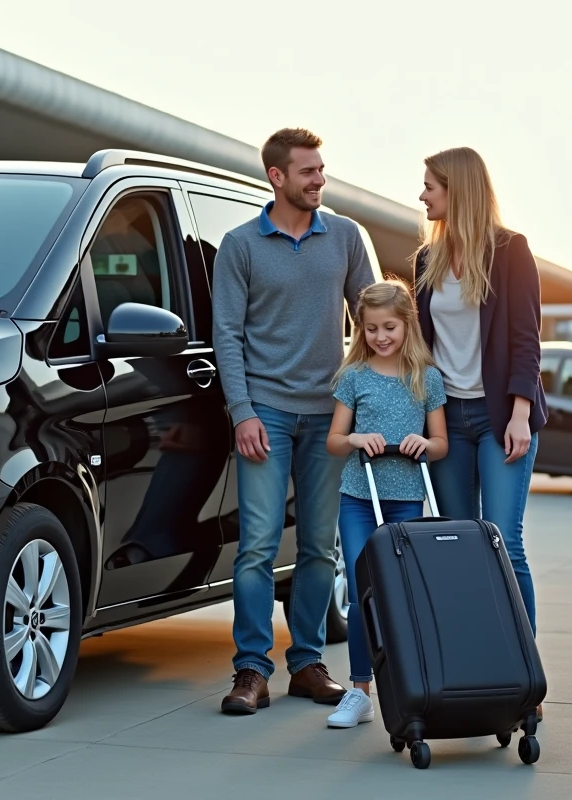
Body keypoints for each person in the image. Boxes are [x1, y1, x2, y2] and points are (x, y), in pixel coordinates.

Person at [212, 127, 376, 715]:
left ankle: (306, 664)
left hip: (328, 418)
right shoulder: (240, 245)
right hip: (268, 416)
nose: (319, 180)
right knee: (256, 546)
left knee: (317, 548)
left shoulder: (346, 237)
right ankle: (251, 671)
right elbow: (226, 335)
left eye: (321, 169)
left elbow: (375, 322)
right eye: (308, 171)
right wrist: (243, 413)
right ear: (277, 177)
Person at [412, 146, 548, 714]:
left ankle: (525, 678)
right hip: (450, 422)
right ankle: (473, 668)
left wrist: (519, 413)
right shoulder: (427, 259)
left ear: (458, 189)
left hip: (499, 419)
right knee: (459, 545)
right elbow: (420, 348)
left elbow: (525, 339)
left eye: (430, 187)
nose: (421, 196)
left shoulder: (511, 251)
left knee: (503, 542)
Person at [322, 279, 449, 728]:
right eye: (372, 328)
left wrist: (423, 443)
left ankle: (415, 685)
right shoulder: (353, 376)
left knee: (405, 593)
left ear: (407, 325)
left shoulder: (426, 378)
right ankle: (359, 692)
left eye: (389, 327)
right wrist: (355, 437)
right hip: (360, 496)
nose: (381, 336)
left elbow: (441, 444)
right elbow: (335, 441)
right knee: (362, 592)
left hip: (407, 500)